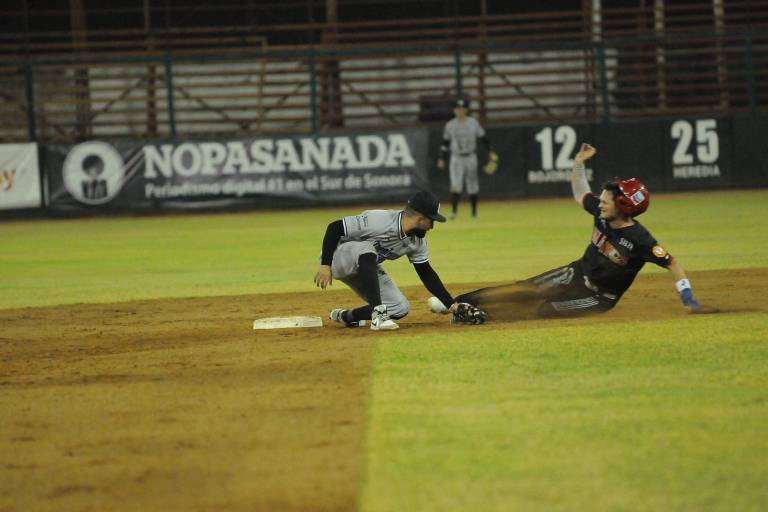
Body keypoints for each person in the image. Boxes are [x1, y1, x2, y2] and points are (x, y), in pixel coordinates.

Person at [430, 143, 710, 321]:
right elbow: (581, 192)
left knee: (542, 310)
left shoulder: (640, 240)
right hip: (576, 272)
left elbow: (671, 261)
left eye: (607, 199)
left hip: (600, 298)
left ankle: (477, 316)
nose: (600, 201)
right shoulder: (601, 214)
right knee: (524, 289)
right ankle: (456, 303)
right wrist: (579, 162)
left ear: (623, 207)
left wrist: (688, 298)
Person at [314, 190, 486, 331]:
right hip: (337, 258)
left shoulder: (417, 243)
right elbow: (335, 227)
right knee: (367, 249)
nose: (432, 226)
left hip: (366, 268)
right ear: (421, 218)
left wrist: (452, 306)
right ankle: (378, 317)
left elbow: (426, 273)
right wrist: (325, 265)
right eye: (431, 220)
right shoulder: (379, 220)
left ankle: (347, 317)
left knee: (399, 307)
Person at [437, 98, 498, 220]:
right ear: (454, 110)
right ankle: (454, 212)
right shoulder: (450, 125)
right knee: (455, 184)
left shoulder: (473, 123)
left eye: (463, 109)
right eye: (458, 109)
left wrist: (491, 151)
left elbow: (483, 138)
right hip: (456, 157)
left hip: (470, 156)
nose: (460, 111)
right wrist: (441, 158)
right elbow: (445, 143)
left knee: (472, 184)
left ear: (466, 110)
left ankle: (474, 212)